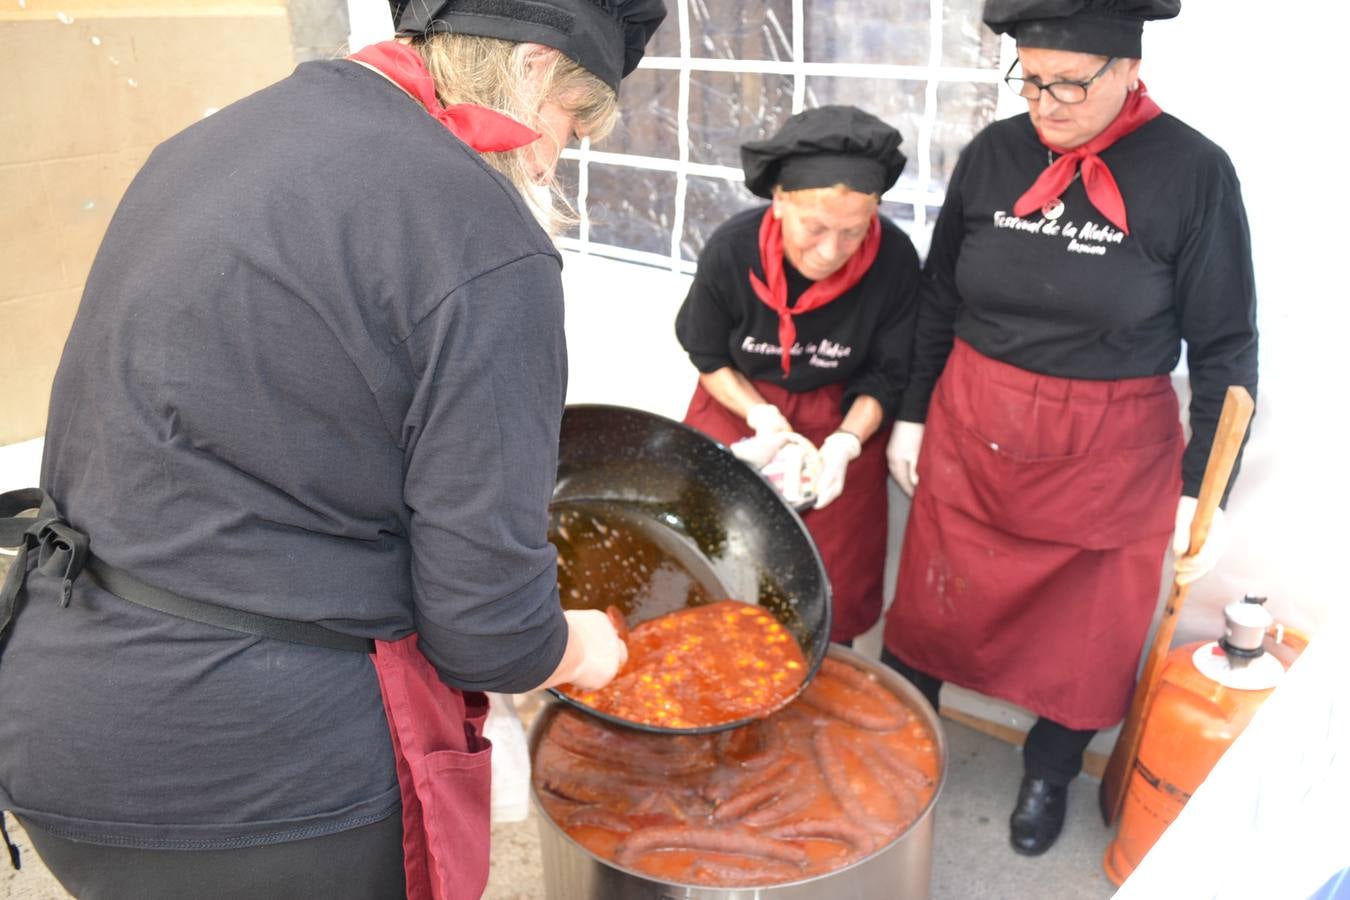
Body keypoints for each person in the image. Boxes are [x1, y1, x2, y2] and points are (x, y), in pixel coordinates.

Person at [0, 0, 665, 897]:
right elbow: (491, 631)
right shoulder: (483, 238)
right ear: (537, 67)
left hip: (59, 722)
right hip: (266, 783)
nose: (555, 157)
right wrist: (580, 647)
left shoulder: (215, 142)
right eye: (572, 125)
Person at [880, 0, 1257, 857]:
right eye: (1031, 79)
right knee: (937, 605)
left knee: (1087, 637)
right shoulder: (994, 154)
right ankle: (903, 742)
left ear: (1127, 70)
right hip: (976, 424)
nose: (1045, 104)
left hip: (1107, 451)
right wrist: (911, 414)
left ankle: (1050, 771)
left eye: (1070, 84)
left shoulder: (1194, 171)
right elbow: (941, 296)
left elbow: (1227, 344)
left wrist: (1206, 489)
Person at [675, 105, 922, 645]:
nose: (831, 251)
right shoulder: (731, 250)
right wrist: (763, 417)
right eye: (816, 228)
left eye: (854, 232)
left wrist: (845, 445)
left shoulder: (896, 260)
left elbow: (887, 375)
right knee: (718, 564)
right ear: (781, 200)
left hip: (841, 416)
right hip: (738, 405)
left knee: (830, 587)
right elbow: (708, 355)